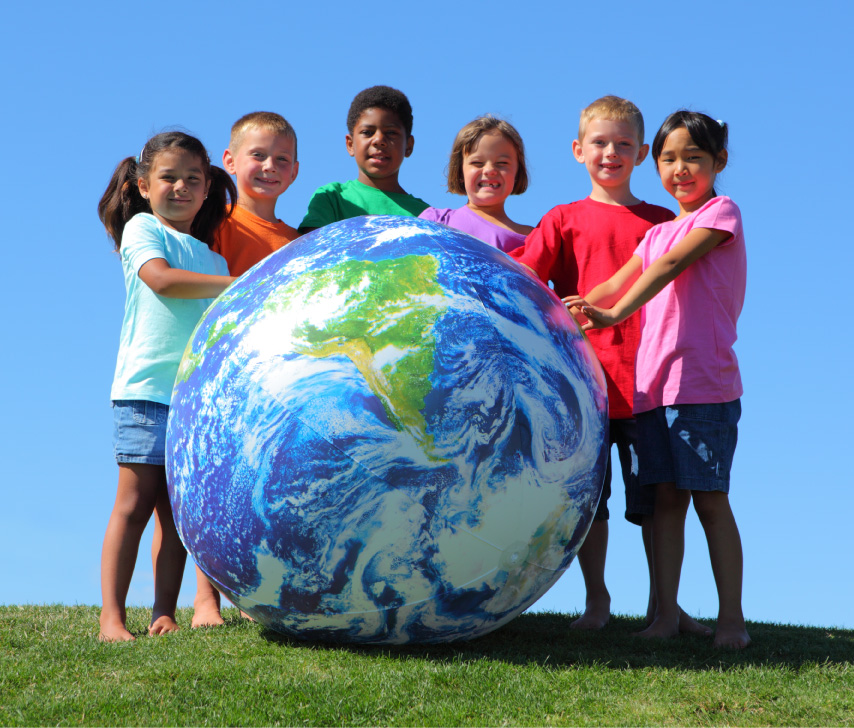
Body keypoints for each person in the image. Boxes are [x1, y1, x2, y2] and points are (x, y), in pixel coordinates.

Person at [510, 96, 707, 634]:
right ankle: (597, 601)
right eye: (599, 143)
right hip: (582, 389)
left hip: (650, 388)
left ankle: (663, 606)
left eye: (624, 144)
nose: (611, 153)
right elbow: (524, 281)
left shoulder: (665, 221)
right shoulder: (563, 218)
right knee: (589, 505)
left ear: (643, 153)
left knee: (661, 501)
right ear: (578, 150)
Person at [566, 111, 750, 649]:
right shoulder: (654, 233)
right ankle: (665, 617)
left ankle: (732, 622)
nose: (680, 168)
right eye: (669, 158)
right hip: (653, 392)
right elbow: (608, 285)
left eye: (694, 157)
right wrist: (552, 309)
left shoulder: (721, 214)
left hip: (704, 388)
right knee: (666, 501)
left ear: (718, 163)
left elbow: (667, 268)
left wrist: (612, 315)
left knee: (710, 500)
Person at [97, 132, 236, 642]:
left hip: (193, 401)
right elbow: (161, 280)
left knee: (177, 518)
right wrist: (238, 283)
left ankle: (164, 613)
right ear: (143, 184)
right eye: (168, 177)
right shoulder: (141, 228)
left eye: (192, 180)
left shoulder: (215, 259)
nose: (180, 187)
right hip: (144, 392)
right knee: (134, 505)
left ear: (207, 191)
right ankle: (111, 620)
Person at [298, 85, 429, 233]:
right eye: (367, 132)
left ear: (408, 146)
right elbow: (311, 252)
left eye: (391, 132)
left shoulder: (427, 216)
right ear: (350, 144)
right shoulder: (332, 198)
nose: (379, 140)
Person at [419, 115, 532, 251]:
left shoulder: (532, 239)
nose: (490, 170)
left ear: (518, 171)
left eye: (502, 163)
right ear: (460, 171)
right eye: (477, 163)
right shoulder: (436, 221)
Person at [213, 111, 301, 277]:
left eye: (282, 159)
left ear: (293, 173)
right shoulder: (215, 221)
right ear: (230, 161)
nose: (270, 166)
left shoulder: (300, 242)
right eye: (258, 155)